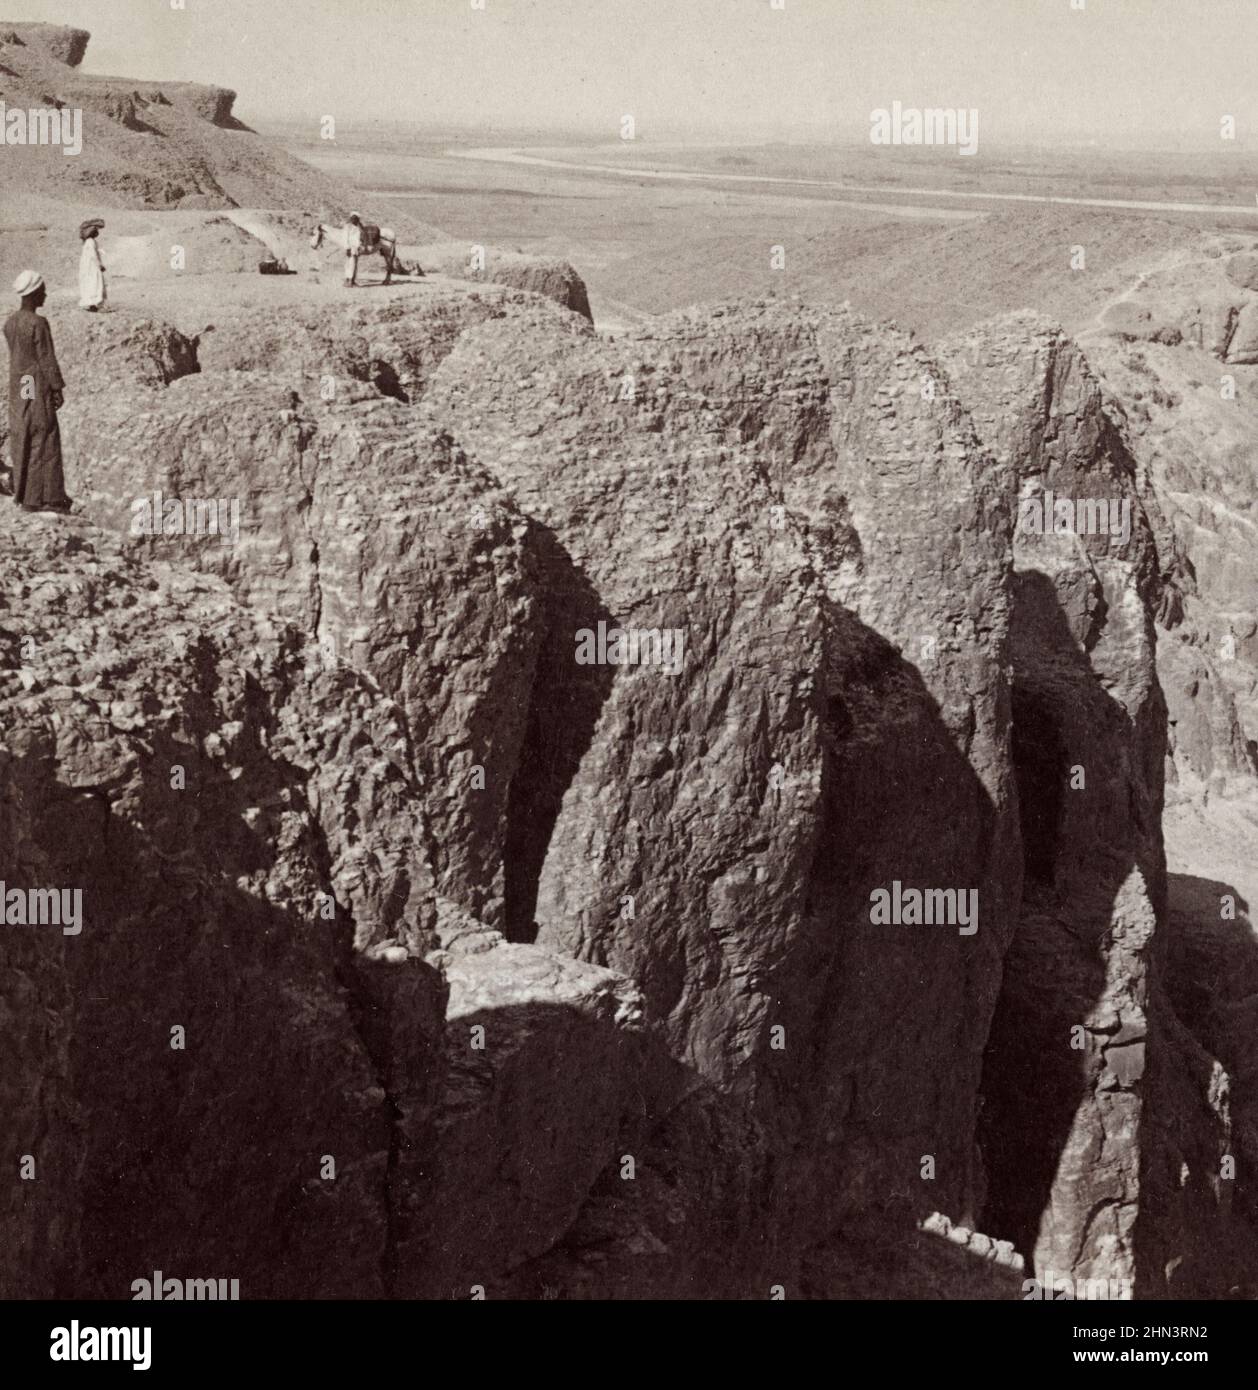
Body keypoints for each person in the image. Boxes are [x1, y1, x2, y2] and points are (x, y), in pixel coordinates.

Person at [4, 271, 71, 513]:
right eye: (42, 290)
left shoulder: (10, 323)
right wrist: (56, 387)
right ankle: (48, 497)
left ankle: (27, 495)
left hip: (22, 385)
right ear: (33, 293)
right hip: (35, 383)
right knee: (45, 434)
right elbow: (45, 358)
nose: (45, 294)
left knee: (27, 432)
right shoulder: (38, 323)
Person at [78, 219, 106, 311]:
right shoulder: (91, 241)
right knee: (94, 283)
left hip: (88, 267)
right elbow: (93, 256)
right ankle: (93, 304)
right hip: (92, 267)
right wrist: (100, 265)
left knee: (90, 283)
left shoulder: (88, 242)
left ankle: (92, 304)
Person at [344, 211, 364, 287]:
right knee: (350, 264)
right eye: (353, 218)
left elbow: (360, 238)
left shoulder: (358, 227)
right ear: (351, 218)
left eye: (356, 219)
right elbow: (345, 238)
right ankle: (348, 281)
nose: (354, 220)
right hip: (350, 248)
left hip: (356, 248)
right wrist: (347, 248)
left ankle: (352, 280)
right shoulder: (347, 226)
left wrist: (360, 246)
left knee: (354, 265)